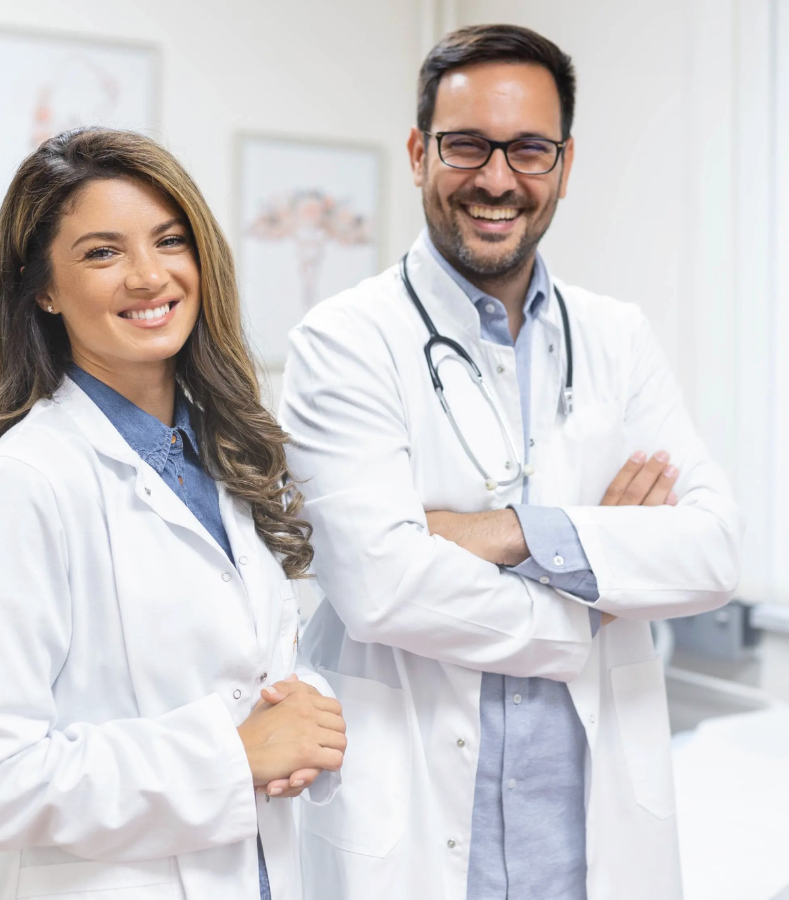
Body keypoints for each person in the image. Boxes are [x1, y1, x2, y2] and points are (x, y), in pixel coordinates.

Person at [281, 25, 742, 900]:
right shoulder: (344, 342)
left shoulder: (619, 339)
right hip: (419, 836)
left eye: (529, 149)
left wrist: (497, 532)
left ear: (565, 165)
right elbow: (380, 585)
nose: (497, 179)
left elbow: (714, 548)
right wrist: (598, 588)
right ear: (419, 153)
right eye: (466, 146)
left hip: (588, 840)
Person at [0, 127, 345, 900]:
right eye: (102, 252)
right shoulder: (27, 485)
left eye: (169, 240)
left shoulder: (222, 454)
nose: (150, 276)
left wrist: (302, 707)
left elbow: (226, 670)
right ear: (43, 291)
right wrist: (234, 754)